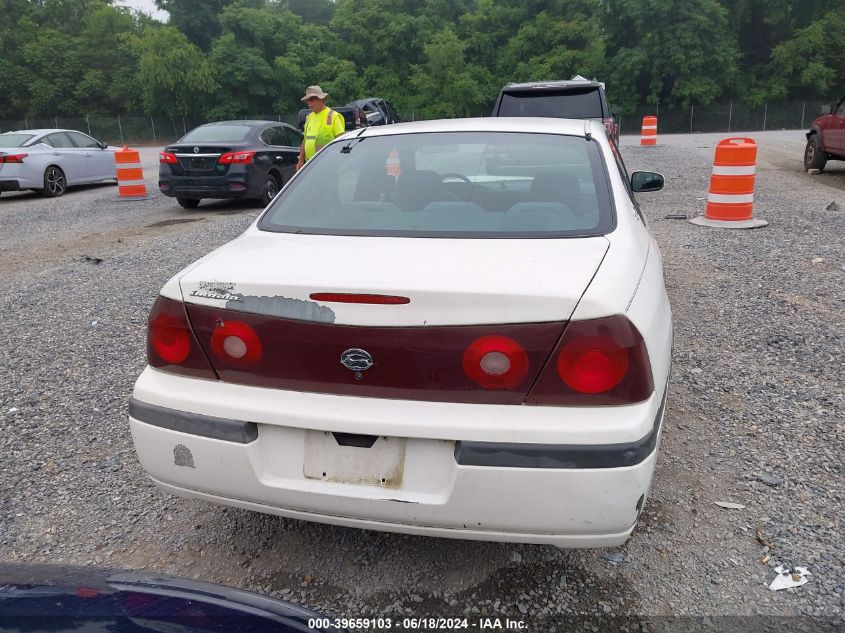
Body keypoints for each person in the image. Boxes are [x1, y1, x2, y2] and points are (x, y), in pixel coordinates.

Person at [296, 85, 346, 171]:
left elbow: (342, 141)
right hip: (310, 165)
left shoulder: (333, 116)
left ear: (321, 99)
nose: (309, 103)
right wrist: (300, 160)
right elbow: (305, 140)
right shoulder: (309, 117)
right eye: (308, 100)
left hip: (329, 165)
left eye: (312, 99)